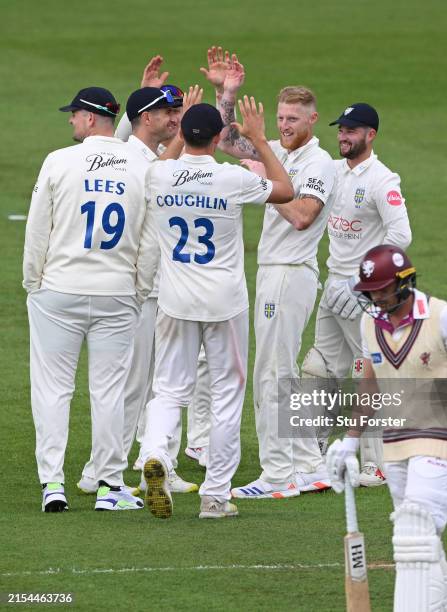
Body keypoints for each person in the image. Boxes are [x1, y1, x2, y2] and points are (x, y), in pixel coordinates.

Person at [326, 244, 447, 611]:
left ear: (405, 282)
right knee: (417, 538)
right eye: (371, 291)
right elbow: (369, 384)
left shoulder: (444, 317)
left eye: (383, 289)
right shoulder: (368, 323)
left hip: (442, 436)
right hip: (396, 441)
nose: (376, 297)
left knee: (415, 529)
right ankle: (441, 597)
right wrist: (349, 442)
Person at [140, 99, 294, 519]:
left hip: (174, 300)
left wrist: (177, 137)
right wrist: (261, 140)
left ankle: (155, 455)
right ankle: (215, 496)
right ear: (216, 137)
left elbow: (165, 166)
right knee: (226, 397)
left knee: (169, 390)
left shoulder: (159, 175)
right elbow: (286, 191)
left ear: (182, 134)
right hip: (224, 302)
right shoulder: (231, 178)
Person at [202, 46, 337, 499]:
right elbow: (223, 141)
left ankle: (277, 477)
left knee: (272, 375)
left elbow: (301, 215)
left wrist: (261, 159)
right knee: (283, 372)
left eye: (293, 120)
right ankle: (309, 465)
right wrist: (227, 94)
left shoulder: (318, 164)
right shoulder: (280, 150)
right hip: (276, 272)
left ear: (313, 120)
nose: (283, 127)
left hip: (290, 272)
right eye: (280, 119)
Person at [23, 86, 159, 512]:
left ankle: (53, 484)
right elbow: (150, 242)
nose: (70, 121)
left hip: (59, 290)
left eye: (74, 114)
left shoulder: (59, 161)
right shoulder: (140, 166)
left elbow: (36, 230)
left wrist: (34, 284)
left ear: (90, 118)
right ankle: (109, 485)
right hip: (117, 292)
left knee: (52, 390)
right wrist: (138, 290)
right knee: (110, 391)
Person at [76, 85, 199, 496]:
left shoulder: (150, 152)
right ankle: (99, 470)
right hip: (141, 291)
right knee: (132, 387)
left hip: (167, 289)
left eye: (178, 112)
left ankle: (161, 460)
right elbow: (155, 179)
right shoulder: (132, 157)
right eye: (167, 112)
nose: (175, 119)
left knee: (166, 384)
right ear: (146, 118)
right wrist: (184, 132)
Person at [301, 103, 412, 486]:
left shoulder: (383, 181)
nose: (344, 136)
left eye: (352, 130)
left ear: (371, 135)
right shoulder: (332, 171)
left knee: (369, 372)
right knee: (319, 367)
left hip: (363, 293)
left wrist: (362, 282)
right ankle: (312, 451)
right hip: (333, 285)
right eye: (342, 130)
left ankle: (376, 464)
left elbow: (401, 238)